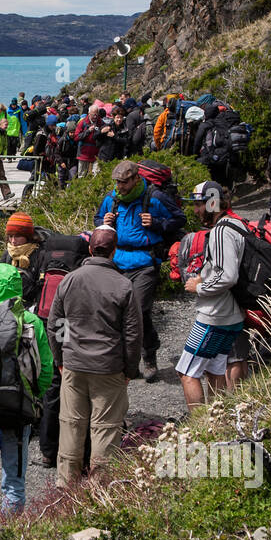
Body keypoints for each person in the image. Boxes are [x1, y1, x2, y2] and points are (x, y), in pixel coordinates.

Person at [46, 226, 141, 487]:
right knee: (106, 429)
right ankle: (100, 491)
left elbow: (55, 325)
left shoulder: (70, 280)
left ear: (90, 249)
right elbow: (132, 335)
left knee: (71, 426)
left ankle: (66, 488)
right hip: (109, 367)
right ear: (114, 251)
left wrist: (61, 358)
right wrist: (129, 371)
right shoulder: (124, 285)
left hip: (74, 365)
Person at [0, 264, 54, 515]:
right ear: (17, 287)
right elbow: (45, 368)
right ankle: (9, 534)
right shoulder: (31, 321)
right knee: (13, 479)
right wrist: (34, 396)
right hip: (17, 408)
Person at [94, 160, 177, 382]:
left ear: (135, 179)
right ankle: (124, 360)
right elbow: (96, 221)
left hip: (145, 262)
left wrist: (158, 223)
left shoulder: (155, 198)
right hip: (118, 261)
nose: (119, 187)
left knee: (138, 311)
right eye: (117, 182)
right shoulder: (111, 200)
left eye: (123, 182)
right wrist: (104, 221)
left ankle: (148, 354)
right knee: (116, 311)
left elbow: (179, 219)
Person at [176, 182, 247, 409]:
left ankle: (199, 427)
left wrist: (199, 286)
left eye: (199, 204)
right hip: (233, 313)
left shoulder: (221, 231)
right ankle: (217, 423)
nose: (196, 210)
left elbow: (227, 276)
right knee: (215, 369)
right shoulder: (237, 224)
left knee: (186, 372)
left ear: (212, 202)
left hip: (215, 314)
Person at [0, 211, 44, 307]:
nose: (13, 241)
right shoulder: (8, 254)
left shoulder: (39, 253)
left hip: (31, 305)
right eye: (10, 236)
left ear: (27, 236)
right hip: (8, 305)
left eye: (18, 236)